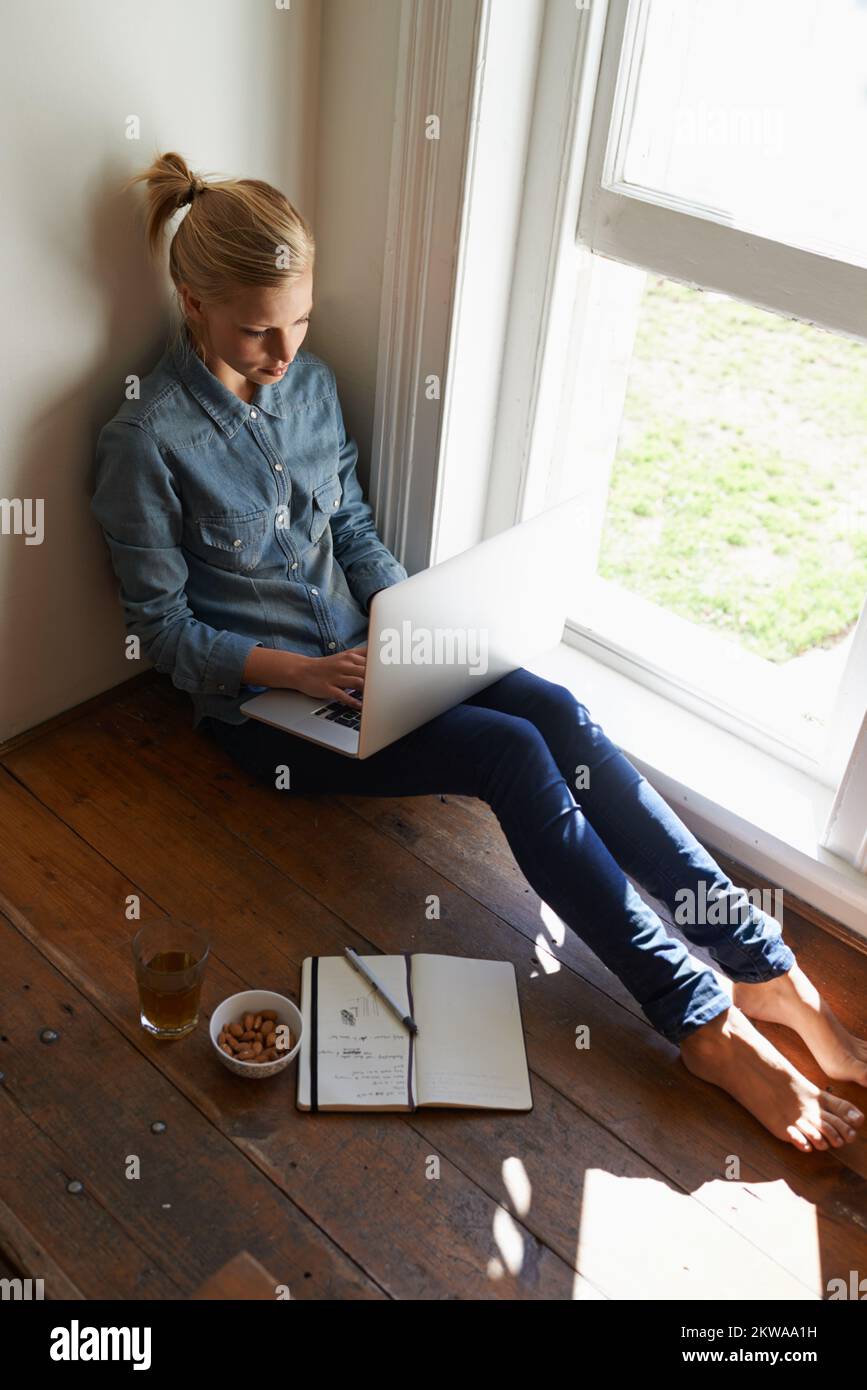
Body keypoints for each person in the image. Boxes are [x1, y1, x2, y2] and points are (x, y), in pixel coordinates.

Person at [91, 151, 866, 1153]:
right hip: (268, 717)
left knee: (557, 708)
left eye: (301, 322)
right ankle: (703, 1023)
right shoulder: (144, 439)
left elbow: (354, 531)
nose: (284, 350)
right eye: (257, 330)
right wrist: (303, 672)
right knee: (513, 754)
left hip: (369, 657)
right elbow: (164, 636)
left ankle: (759, 963)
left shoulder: (313, 389)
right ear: (192, 303)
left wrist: (414, 618)